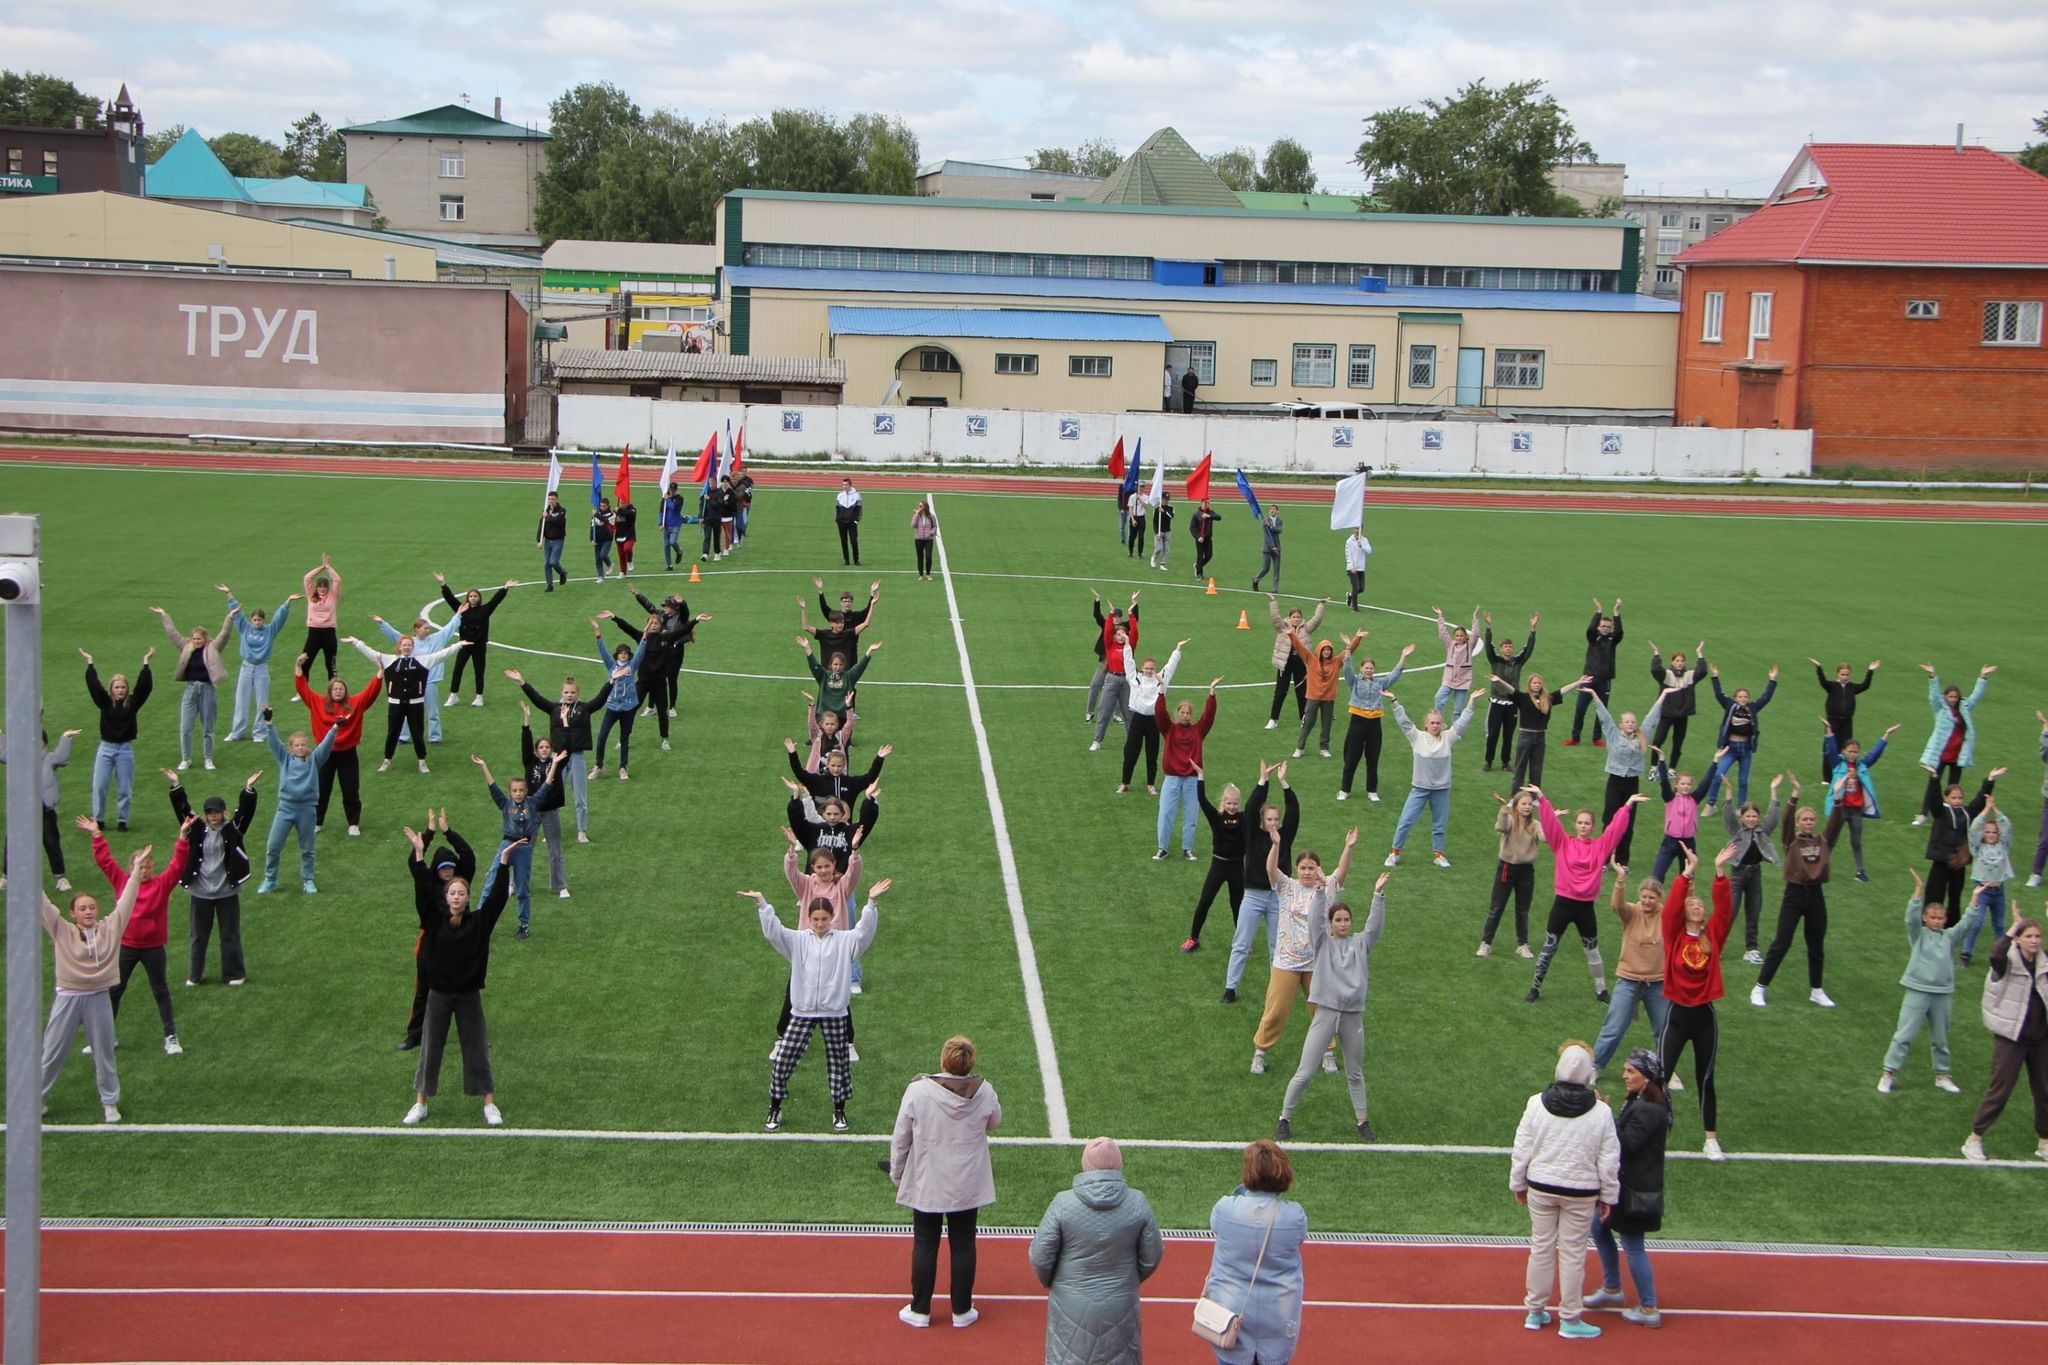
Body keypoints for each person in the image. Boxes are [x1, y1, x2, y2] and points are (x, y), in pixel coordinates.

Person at [747, 879, 888, 1134]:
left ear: (832, 917)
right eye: (816, 919)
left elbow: (864, 933)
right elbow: (774, 932)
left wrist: (871, 903)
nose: (820, 924)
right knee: (784, 1061)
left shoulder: (845, 941)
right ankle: (775, 1107)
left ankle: (839, 1111)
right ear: (809, 918)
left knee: (839, 1065)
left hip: (835, 1013)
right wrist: (763, 905)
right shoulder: (798, 940)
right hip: (801, 1012)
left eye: (824, 919)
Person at [402, 828, 519, 1127]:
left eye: (461, 894)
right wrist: (418, 855)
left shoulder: (479, 922)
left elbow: (496, 901)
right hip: (439, 995)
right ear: (447, 896)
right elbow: (420, 891)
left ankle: (489, 1104)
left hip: (468, 995)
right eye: (452, 893)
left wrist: (504, 862)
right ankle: (421, 1104)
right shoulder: (434, 918)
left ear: (467, 898)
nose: (456, 897)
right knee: (430, 1047)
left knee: (477, 1047)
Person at [889, 1035, 1002, 1330]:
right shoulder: (985, 1091)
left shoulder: (918, 1091)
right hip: (965, 1181)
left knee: (925, 1242)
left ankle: (920, 1309)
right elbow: (994, 1121)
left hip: (928, 1179)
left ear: (943, 1060)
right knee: (963, 1243)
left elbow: (901, 1138)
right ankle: (962, 1310)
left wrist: (897, 1174)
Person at [1509, 1040, 1620, 1341]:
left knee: (1541, 1247)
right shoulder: (1600, 1112)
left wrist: (1518, 1182)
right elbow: (1609, 1159)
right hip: (1581, 1193)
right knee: (1573, 1254)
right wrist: (1609, 1195)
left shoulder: (1535, 1103)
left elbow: (1522, 1148)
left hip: (1541, 1187)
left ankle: (1534, 1311)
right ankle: (1570, 1318)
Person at [1275, 861, 1387, 1142]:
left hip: (1352, 1016)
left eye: (1346, 920)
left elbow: (1375, 927)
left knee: (1355, 1072)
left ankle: (1362, 1121)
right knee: (1306, 1071)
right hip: (1325, 1014)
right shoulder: (1322, 941)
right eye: (1338, 920)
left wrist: (1378, 895)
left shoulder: (1360, 943)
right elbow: (1314, 918)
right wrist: (1322, 892)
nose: (1343, 924)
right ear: (1331, 923)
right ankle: (1284, 1118)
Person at [1028, 1136, 1163, 1365]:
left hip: (1070, 1302)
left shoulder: (1063, 1203)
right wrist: (1128, 1280)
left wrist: (1057, 1283)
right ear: (1118, 1164)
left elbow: (1040, 1257)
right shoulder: (1137, 1202)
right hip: (1120, 1303)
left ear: (1086, 1165)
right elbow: (1153, 1255)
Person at [39, 853, 146, 1124]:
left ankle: (110, 1103)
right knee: (53, 1051)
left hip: (99, 997)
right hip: (68, 997)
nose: (88, 912)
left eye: (92, 907)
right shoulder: (61, 930)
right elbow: (42, 904)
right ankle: (35, 1099)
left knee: (104, 1051)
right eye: (83, 908)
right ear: (73, 914)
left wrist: (135, 871)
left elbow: (126, 902)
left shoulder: (110, 928)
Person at [1251, 832, 1359, 1079]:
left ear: (1318, 869)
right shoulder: (1287, 886)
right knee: (1276, 1010)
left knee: (1322, 1010)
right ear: (1297, 869)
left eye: (1312, 868)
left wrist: (1348, 846)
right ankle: (1260, 1051)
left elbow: (1342, 871)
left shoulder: (1327, 888)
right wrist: (1277, 844)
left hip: (1317, 963)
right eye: (1303, 868)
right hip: (1286, 962)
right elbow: (1270, 868)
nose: (1308, 872)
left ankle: (1328, 1052)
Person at [84, 814, 193, 1057]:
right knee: (114, 990)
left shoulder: (162, 884)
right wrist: (96, 834)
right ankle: (105, 1037)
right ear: (131, 867)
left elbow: (178, 864)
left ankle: (170, 1037)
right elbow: (105, 861)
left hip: (153, 947)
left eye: (147, 866)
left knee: (160, 990)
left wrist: (183, 837)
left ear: (151, 867)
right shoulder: (121, 881)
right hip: (126, 946)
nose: (144, 870)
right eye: (139, 866)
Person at [1525, 792, 1646, 1005]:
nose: (1583, 826)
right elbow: (1552, 825)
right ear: (1575, 825)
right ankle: (1535, 988)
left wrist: (1627, 805)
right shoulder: (1562, 843)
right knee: (1548, 949)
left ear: (1592, 827)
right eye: (1580, 823)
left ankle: (1601, 991)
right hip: (1562, 904)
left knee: (1593, 951)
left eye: (1587, 823)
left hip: (1585, 908)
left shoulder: (1600, 847)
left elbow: (1615, 831)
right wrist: (1543, 799)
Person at [1583, 1048, 1672, 1329]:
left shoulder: (1648, 1109)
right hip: (1627, 1187)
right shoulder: (1643, 1103)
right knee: (1598, 1227)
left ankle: (1648, 1307)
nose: (1624, 1075)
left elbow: (1625, 1145)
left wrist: (1605, 1115)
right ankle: (1612, 1288)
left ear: (1646, 1077)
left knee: (1633, 1246)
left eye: (1631, 1071)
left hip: (1634, 1191)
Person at [1201, 1140, 1308, 1365]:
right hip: (1277, 1320)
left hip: (1231, 1316)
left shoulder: (1224, 1209)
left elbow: (1219, 1225)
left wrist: (1246, 1189)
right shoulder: (1294, 1216)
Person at [1882, 869, 1985, 1096]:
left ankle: (1942, 1075)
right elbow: (1910, 918)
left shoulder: (1949, 937)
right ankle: (1888, 1073)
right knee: (1904, 1035)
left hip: (1942, 993)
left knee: (1941, 1038)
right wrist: (1918, 892)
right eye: (1933, 918)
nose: (1937, 922)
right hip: (1917, 991)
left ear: (1945, 920)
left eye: (1941, 918)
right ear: (1925, 919)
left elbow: (1966, 924)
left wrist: (1975, 898)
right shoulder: (1918, 935)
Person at [1665, 846, 1738, 1159]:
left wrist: (1720, 872)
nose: (1697, 907)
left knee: (1705, 1078)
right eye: (1692, 905)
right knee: (1660, 1075)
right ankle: (1652, 1131)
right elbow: (1669, 909)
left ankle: (1710, 1139)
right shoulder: (1674, 936)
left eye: (1700, 905)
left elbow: (1724, 909)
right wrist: (1688, 872)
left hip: (1704, 1016)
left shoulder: (1712, 937)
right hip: (1678, 1014)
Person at [1960, 915, 2048, 1163]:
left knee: (2045, 1091)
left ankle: (2045, 1142)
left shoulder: (2044, 962)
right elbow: (1995, 954)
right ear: (2018, 939)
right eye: (2028, 936)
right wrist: (2010, 931)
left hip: (2041, 1038)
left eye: (2037, 936)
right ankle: (1974, 1139)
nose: (2034, 941)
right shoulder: (2007, 961)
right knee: (2001, 1089)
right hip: (2012, 1036)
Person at [1593, 854, 1687, 1073]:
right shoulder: (1632, 912)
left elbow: (1681, 907)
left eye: (1652, 897)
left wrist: (1687, 877)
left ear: (1659, 898)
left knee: (1664, 1029)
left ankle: (1667, 1071)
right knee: (1613, 1028)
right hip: (1628, 980)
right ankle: (1595, 1067)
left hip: (1657, 983)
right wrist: (1620, 880)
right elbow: (1617, 905)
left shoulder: (1666, 916)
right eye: (1644, 896)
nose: (1647, 901)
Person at [1750, 798, 1847, 1009]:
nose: (1809, 822)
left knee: (1816, 945)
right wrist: (1793, 798)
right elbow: (1785, 822)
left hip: (1815, 896)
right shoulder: (1791, 842)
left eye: (1812, 819)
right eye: (1804, 819)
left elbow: (1835, 824)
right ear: (1798, 823)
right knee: (1781, 942)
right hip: (1793, 895)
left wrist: (1838, 799)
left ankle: (1817, 990)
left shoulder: (1822, 842)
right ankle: (1759, 987)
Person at [167, 769, 260, 987]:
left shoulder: (233, 829)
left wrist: (248, 788)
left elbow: (246, 811)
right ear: (205, 814)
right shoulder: (196, 828)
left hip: (226, 891)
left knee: (230, 934)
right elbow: (182, 810)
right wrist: (175, 785)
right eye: (209, 812)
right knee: (198, 936)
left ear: (223, 812)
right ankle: (195, 975)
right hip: (200, 892)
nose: (213, 816)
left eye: (217, 812)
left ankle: (234, 974)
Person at [401, 811, 476, 1050]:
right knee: (423, 991)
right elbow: (416, 864)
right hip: (431, 944)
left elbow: (468, 855)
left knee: (466, 993)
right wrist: (429, 834)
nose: (447, 872)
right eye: (443, 868)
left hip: (459, 943)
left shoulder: (461, 884)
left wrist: (448, 832)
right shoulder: (427, 885)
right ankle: (415, 1036)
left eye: (450, 868)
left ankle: (472, 1037)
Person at [511, 668, 612, 844]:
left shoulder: (584, 708)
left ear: (577, 693)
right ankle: (548, 830)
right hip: (557, 759)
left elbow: (600, 700)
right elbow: (537, 699)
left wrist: (611, 682)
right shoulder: (554, 709)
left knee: (580, 797)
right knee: (550, 796)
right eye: (566, 692)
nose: (569, 695)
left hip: (577, 757)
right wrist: (522, 682)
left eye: (572, 692)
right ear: (561, 693)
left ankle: (582, 831)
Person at [473, 750, 565, 942]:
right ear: (510, 792)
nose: (518, 793)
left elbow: (547, 784)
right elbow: (492, 787)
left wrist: (554, 764)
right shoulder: (505, 804)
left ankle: (523, 925)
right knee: (491, 880)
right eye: (514, 790)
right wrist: (484, 766)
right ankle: (480, 920)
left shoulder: (533, 803)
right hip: (506, 845)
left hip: (524, 849)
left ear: (526, 791)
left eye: (521, 790)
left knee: (523, 888)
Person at [1221, 764, 1296, 995]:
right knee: (1241, 945)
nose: (1273, 823)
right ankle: (1230, 988)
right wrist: (1263, 781)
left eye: (1276, 819)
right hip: (1253, 896)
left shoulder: (1285, 837)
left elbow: (1294, 811)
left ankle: (1276, 992)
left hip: (1277, 898)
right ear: (1262, 821)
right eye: (1269, 819)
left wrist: (1284, 783)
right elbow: (1253, 806)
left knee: (1277, 947)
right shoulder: (1252, 835)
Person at [1383, 693, 1479, 869]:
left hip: (1441, 790)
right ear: (1426, 725)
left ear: (1442, 725)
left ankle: (1439, 855)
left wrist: (1471, 702)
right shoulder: (1417, 737)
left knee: (1439, 824)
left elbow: (1462, 723)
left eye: (1438, 723)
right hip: (1419, 788)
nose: (1435, 726)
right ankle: (1394, 853)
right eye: (1432, 723)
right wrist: (1394, 701)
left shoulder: (1448, 738)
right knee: (1406, 821)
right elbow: (1404, 722)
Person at [348, 632, 465, 774]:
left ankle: (422, 761)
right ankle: (387, 760)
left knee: (417, 733)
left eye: (409, 645)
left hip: (415, 704)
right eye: (404, 645)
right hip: (395, 703)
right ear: (399, 647)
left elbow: (440, 655)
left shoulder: (423, 660)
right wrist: (356, 642)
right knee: (393, 732)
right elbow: (371, 653)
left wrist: (457, 646)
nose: (407, 648)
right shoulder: (389, 660)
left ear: (413, 647)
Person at [294, 653, 380, 838]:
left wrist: (379, 674)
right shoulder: (318, 703)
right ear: (330, 691)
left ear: (345, 691)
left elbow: (369, 694)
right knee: (321, 789)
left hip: (348, 753)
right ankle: (317, 822)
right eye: (335, 688)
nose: (338, 691)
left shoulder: (354, 704)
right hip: (324, 754)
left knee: (350, 789)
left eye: (341, 688)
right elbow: (303, 690)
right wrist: (299, 669)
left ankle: (353, 823)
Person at [1587, 687, 1671, 871]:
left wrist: (1663, 695)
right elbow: (1604, 716)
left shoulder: (1643, 735)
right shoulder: (1613, 734)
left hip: (1632, 783)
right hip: (1615, 782)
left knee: (1628, 823)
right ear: (1621, 725)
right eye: (1627, 721)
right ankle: (1603, 859)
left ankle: (1622, 862)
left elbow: (1653, 717)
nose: (1631, 724)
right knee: (1609, 820)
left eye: (1633, 721)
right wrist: (1594, 695)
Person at [256, 714, 337, 894]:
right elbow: (274, 743)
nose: (300, 747)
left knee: (307, 849)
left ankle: (308, 880)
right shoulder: (285, 759)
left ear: (308, 747)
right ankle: (270, 879)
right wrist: (269, 724)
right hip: (285, 809)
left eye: (303, 745)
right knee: (273, 846)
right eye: (297, 745)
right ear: (291, 748)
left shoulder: (314, 760)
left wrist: (334, 729)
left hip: (307, 810)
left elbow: (325, 746)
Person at [0, 722, 79, 891]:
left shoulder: (50, 758)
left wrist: (66, 738)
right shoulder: (17, 758)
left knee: (51, 842)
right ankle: (6, 877)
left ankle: (60, 878)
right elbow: (2, 753)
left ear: (44, 743)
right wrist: (1, 736)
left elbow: (62, 757)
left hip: (44, 810)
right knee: (12, 842)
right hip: (20, 809)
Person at [82, 646, 154, 830]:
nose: (120, 690)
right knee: (99, 786)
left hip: (125, 749)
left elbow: (144, 687)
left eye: (123, 687)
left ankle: (123, 820)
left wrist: (146, 664)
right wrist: (90, 664)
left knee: (124, 789)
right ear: (111, 689)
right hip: (105, 749)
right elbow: (94, 686)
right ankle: (98, 819)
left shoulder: (132, 703)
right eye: (117, 687)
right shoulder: (105, 703)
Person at [1187, 768, 1255, 955]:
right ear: (1223, 802)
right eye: (1229, 803)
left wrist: (1263, 781)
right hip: (1218, 866)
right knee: (1205, 900)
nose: (1232, 806)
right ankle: (1193, 938)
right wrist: (1200, 776)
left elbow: (1255, 804)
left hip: (1236, 867)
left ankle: (1243, 943)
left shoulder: (1243, 819)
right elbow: (1202, 800)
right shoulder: (1216, 818)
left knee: (1237, 905)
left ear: (1239, 803)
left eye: (1235, 803)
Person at [1823, 722, 1901, 884]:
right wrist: (1829, 731)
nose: (1853, 754)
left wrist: (1886, 735)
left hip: (1856, 810)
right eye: (1850, 751)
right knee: (1831, 839)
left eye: (1856, 752)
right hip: (1840, 809)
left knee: (1857, 842)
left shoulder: (1862, 765)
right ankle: (1821, 867)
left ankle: (1860, 872)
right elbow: (1830, 751)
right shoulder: (1838, 764)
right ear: (1843, 751)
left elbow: (1875, 754)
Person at [218, 583, 297, 743]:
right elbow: (237, 614)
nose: (257, 622)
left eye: (260, 620)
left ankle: (259, 733)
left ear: (263, 620)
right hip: (246, 667)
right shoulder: (245, 628)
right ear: (251, 620)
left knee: (262, 701)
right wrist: (229, 594)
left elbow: (279, 619)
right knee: (241, 700)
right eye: (254, 619)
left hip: (261, 668)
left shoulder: (269, 631)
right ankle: (236, 732)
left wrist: (287, 602)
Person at [1923, 770, 2002, 928]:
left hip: (1959, 862)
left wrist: (1990, 779)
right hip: (1941, 861)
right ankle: (1928, 923)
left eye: (1959, 797)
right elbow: (1934, 800)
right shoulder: (1941, 811)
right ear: (1946, 798)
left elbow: (1980, 800)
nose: (1957, 800)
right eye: (1953, 797)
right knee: (1934, 894)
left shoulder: (1967, 813)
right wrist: (1934, 779)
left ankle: (1952, 926)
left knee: (1955, 896)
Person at [1915, 664, 1994, 822]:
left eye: (1955, 697)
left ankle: (1950, 815)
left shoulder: (1964, 707)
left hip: (1958, 754)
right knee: (1933, 784)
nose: (1952, 700)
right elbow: (1933, 696)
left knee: (1953, 786)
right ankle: (1923, 814)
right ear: (1945, 697)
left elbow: (1976, 696)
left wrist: (1983, 677)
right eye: (1950, 697)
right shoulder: (1940, 708)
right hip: (1941, 753)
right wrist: (1932, 676)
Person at [1336, 640, 1412, 803]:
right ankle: (1344, 789)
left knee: (1373, 759)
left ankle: (1372, 791)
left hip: (1374, 724)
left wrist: (1403, 657)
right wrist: (1348, 649)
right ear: (1361, 669)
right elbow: (1347, 669)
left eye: (1371, 668)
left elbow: (1395, 675)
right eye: (1366, 667)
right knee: (1351, 758)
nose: (1369, 670)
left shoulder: (1380, 683)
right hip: (1357, 722)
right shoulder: (1355, 681)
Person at [1720, 778, 1785, 966]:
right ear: (1742, 818)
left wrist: (1773, 791)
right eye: (1747, 816)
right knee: (1730, 911)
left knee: (1754, 911)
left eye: (1754, 816)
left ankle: (1751, 949)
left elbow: (1774, 816)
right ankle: (1717, 946)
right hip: (1737, 875)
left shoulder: (1762, 831)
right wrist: (1729, 790)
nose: (1751, 819)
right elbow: (1727, 815)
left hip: (1755, 875)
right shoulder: (1736, 831)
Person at [372, 611, 461, 748]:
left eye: (428, 628)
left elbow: (449, 629)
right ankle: (404, 736)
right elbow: (394, 634)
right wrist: (382, 623)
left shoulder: (437, 638)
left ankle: (435, 737)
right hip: (413, 684)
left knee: (433, 711)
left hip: (430, 681)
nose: (428, 630)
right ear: (416, 630)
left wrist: (458, 615)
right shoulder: (408, 642)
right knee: (407, 710)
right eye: (425, 628)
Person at [1153, 679, 1220, 861]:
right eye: (1182, 712)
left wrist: (1211, 693)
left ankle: (1187, 849)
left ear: (1191, 715)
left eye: (1188, 713)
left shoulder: (1198, 730)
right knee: (1165, 814)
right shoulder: (1169, 730)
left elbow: (1209, 717)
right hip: (1172, 778)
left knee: (1191, 816)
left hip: (1192, 780)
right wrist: (1161, 691)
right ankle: (1162, 848)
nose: (1185, 715)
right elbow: (1159, 714)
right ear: (1178, 713)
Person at [1116, 638, 1185, 794]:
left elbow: (1171, 666)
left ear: (1155, 669)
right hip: (1137, 719)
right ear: (1142, 668)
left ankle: (1150, 785)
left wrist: (1178, 649)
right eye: (1146, 668)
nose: (1149, 671)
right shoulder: (1134, 678)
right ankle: (1125, 783)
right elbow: (1128, 663)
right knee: (1130, 752)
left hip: (1154, 721)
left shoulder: (1161, 679)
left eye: (1151, 668)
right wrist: (1127, 644)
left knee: (1152, 753)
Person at [437, 575, 515, 707]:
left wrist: (505, 588)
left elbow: (495, 601)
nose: (473, 598)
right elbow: (450, 599)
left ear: (479, 598)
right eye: (471, 596)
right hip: (464, 644)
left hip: (479, 646)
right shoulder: (462, 609)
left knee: (479, 671)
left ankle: (479, 697)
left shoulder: (485, 610)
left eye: (475, 596)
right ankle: (453, 695)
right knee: (457, 669)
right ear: (467, 598)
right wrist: (443, 584)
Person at [1481, 790, 1543, 958]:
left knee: (1522, 910)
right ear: (1516, 806)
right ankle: (1486, 943)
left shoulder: (1535, 824)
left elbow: (1545, 838)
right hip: (1507, 868)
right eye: (1523, 804)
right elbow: (1500, 826)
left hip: (1526, 871)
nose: (1527, 807)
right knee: (1497, 907)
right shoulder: (1510, 820)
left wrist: (1551, 821)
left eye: (1530, 804)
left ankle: (1522, 944)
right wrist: (1503, 808)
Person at [1706, 663, 1779, 806]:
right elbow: (1718, 695)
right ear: (1735, 698)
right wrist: (1715, 676)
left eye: (1745, 696)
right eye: (1740, 696)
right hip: (1730, 748)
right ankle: (1711, 803)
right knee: (1718, 775)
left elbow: (1766, 698)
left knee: (1743, 780)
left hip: (1745, 749)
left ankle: (1742, 806)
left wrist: (1772, 680)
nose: (1743, 699)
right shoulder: (1730, 706)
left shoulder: (1752, 708)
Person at [588, 622, 648, 781]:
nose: (623, 655)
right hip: (613, 707)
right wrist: (598, 633)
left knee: (624, 739)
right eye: (621, 653)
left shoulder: (632, 666)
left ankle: (623, 768)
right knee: (602, 737)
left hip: (628, 708)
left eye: (626, 653)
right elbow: (603, 652)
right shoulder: (611, 665)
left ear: (629, 655)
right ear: (617, 655)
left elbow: (641, 652)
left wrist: (645, 636)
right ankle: (598, 766)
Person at [1482, 613, 1538, 772]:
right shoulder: (1495, 660)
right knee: (1492, 734)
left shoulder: (1517, 662)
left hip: (1512, 703)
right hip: (1496, 702)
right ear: (1501, 649)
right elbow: (1488, 647)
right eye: (1506, 647)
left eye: (1510, 647)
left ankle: (1506, 762)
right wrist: (1488, 628)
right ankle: (1488, 761)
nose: (1508, 649)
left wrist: (1533, 630)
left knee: (1508, 735)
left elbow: (1528, 650)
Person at [1962, 800, 2016, 966]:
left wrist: (1996, 811)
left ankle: (2002, 956)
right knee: (1977, 924)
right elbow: (1974, 829)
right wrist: (1986, 810)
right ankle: (1966, 954)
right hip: (1982, 890)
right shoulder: (1977, 848)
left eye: (1994, 832)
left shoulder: (2003, 846)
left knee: (1999, 925)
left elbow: (2007, 828)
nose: (1991, 834)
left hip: (1999, 890)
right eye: (1988, 832)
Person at [1564, 599, 1623, 747]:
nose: (1605, 628)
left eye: (1608, 627)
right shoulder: (1593, 638)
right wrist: (1598, 612)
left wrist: (1616, 612)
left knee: (1601, 711)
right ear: (1598, 627)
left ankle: (1597, 738)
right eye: (1603, 626)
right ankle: (1575, 737)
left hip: (1605, 681)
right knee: (1580, 708)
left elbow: (1620, 632)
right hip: (1589, 678)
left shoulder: (1612, 640)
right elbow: (1589, 630)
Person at [1263, 598, 1323, 730]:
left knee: (1302, 692)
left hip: (1301, 664)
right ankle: (1274, 719)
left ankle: (1304, 718)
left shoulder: (1306, 628)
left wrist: (1321, 605)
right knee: (1280, 692)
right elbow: (1275, 619)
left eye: (1298, 617)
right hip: (1284, 664)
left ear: (1301, 618)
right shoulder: (1283, 627)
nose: (1296, 619)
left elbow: (1316, 620)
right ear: (1289, 618)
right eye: (1293, 617)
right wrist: (1273, 602)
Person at [1289, 633, 1351, 761]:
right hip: (1313, 697)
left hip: (1328, 698)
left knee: (1327, 724)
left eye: (1328, 650)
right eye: (1324, 650)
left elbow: (1350, 651)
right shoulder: (1310, 659)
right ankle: (1300, 747)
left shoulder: (1336, 662)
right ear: (1320, 650)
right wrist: (1291, 634)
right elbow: (1299, 647)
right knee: (1307, 723)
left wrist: (1355, 640)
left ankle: (1324, 748)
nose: (1326, 652)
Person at [1646, 641, 1706, 767]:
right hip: (1666, 714)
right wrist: (1656, 654)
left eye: (1682, 661)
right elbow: (1655, 669)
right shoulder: (1666, 675)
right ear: (1672, 662)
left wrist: (1699, 654)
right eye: (1677, 661)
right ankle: (1653, 767)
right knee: (1658, 740)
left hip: (1682, 716)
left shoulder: (1689, 675)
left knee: (1677, 744)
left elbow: (1702, 671)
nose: (1679, 663)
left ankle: (1672, 768)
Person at [1505, 673, 1565, 794]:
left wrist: (1578, 683)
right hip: (1526, 736)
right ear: (1529, 684)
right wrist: (1499, 681)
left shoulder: (1546, 698)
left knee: (1536, 769)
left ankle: (1534, 797)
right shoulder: (1523, 697)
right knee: (1520, 768)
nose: (1537, 685)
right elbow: (1511, 690)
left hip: (1540, 737)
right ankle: (1515, 796)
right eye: (1534, 683)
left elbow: (1562, 691)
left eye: (1539, 683)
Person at [1814, 657, 1880, 746]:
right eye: (1842, 674)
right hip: (1833, 721)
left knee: (1846, 746)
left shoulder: (1852, 687)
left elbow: (1865, 686)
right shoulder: (1832, 686)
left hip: (1847, 722)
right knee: (1830, 745)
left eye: (1847, 675)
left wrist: (1870, 671)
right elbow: (1823, 681)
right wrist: (1819, 667)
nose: (1845, 677)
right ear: (1838, 674)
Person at [1430, 606, 1482, 717]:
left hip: (1463, 681)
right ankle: (1441, 723)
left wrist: (1475, 618)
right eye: (1457, 635)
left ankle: (1456, 732)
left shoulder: (1469, 645)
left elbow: (1476, 634)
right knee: (1438, 698)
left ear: (1465, 637)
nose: (1459, 637)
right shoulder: (1450, 644)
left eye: (1461, 635)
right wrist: (1440, 616)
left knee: (1458, 710)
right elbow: (1442, 634)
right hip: (1449, 679)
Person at [298, 554, 343, 678]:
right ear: (316, 587)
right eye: (320, 587)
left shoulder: (333, 596)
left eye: (324, 587)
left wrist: (328, 567)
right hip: (314, 633)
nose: (322, 589)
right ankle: (302, 691)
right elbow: (307, 578)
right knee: (305, 662)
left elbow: (337, 580)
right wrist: (321, 567)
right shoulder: (311, 595)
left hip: (329, 633)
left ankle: (333, 694)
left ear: (327, 588)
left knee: (331, 666)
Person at [536, 491, 570, 590]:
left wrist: (548, 517)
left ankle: (562, 572)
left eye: (553, 499)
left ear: (557, 499)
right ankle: (550, 585)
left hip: (558, 540)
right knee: (547, 564)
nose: (551, 501)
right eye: (549, 499)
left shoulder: (562, 511)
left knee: (553, 562)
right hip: (548, 541)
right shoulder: (545, 511)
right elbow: (541, 526)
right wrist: (539, 540)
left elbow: (558, 522)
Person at [1250, 508, 1282, 593]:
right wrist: (1272, 547)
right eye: (1270, 509)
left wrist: (1271, 526)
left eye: (1274, 509)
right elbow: (1267, 536)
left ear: (1277, 511)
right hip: (1267, 548)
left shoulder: (1279, 521)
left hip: (1277, 548)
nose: (1272, 511)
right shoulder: (1265, 521)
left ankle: (1275, 589)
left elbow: (1279, 530)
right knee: (1266, 568)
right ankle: (1256, 580)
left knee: (1276, 569)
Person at [659, 479, 688, 571]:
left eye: (674, 490)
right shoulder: (665, 499)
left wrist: (667, 500)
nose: (672, 492)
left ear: (676, 490)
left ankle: (679, 552)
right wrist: (660, 523)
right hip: (666, 525)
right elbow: (661, 512)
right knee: (666, 545)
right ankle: (669, 565)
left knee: (672, 542)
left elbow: (674, 508)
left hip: (675, 524)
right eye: (671, 490)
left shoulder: (680, 499)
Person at [835, 477, 863, 566]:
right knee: (844, 541)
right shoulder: (839, 495)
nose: (844, 486)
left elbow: (860, 509)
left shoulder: (857, 495)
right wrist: (837, 519)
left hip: (852, 522)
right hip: (841, 522)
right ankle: (846, 560)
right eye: (843, 485)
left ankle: (856, 560)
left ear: (850, 485)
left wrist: (856, 520)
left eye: (846, 485)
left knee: (853, 541)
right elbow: (837, 508)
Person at [1190, 500, 1219, 582]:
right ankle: (1200, 574)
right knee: (1200, 556)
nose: (1207, 505)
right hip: (1200, 540)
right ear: (1201, 503)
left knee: (1209, 555)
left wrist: (1209, 516)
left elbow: (1219, 517)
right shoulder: (1196, 514)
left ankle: (1197, 566)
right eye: (1205, 503)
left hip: (1208, 538)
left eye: (1208, 503)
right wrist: (1198, 536)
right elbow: (1192, 527)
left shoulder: (1211, 512)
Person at [1342, 526, 1370, 611]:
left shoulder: (1364, 540)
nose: (1357, 530)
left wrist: (1362, 546)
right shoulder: (1349, 541)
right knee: (1356, 587)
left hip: (1361, 568)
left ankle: (1350, 595)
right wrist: (1351, 566)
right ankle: (1355, 607)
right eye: (1356, 528)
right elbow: (1348, 555)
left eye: (1359, 528)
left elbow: (1369, 551)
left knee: (1361, 588)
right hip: (1352, 569)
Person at [589, 496, 616, 581]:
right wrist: (591, 539)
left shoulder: (612, 515)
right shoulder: (596, 514)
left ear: (608, 506)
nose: (602, 507)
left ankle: (610, 564)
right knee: (598, 559)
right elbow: (592, 526)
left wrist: (596, 514)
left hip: (607, 539)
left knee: (603, 555)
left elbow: (606, 521)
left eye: (604, 506)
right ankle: (600, 577)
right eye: (601, 506)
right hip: (597, 539)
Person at [911, 500, 938, 580]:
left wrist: (932, 532)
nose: (919, 507)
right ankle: (921, 575)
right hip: (918, 539)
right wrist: (916, 514)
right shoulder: (917, 516)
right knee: (920, 557)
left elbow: (935, 526)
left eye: (921, 506)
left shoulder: (931, 516)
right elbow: (913, 525)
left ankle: (928, 574)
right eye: (919, 506)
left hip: (928, 540)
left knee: (928, 556)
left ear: (925, 507)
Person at [1150, 491, 1175, 572]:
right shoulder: (1157, 509)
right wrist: (1156, 532)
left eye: (1167, 499)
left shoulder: (1171, 508)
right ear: (1161, 499)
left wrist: (1164, 512)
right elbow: (1154, 522)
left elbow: (1171, 516)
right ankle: (1153, 558)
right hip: (1159, 531)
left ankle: (1163, 564)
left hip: (1167, 531)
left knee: (1166, 549)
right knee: (1159, 548)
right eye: (1164, 499)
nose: (1166, 501)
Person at [613, 498, 638, 575]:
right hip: (619, 535)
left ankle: (630, 561)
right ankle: (623, 572)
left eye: (624, 503)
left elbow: (630, 514)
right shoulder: (616, 512)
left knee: (627, 549)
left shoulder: (632, 510)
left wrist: (619, 510)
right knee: (621, 555)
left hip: (629, 535)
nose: (622, 504)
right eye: (621, 503)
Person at [1125, 487, 1149, 560]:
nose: (1141, 488)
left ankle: (1140, 553)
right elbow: (1130, 508)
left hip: (1141, 518)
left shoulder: (1146, 497)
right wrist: (1132, 519)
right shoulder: (1132, 497)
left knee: (1141, 537)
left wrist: (1140, 499)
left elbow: (1146, 506)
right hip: (1134, 517)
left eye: (1142, 487)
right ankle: (1130, 551)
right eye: (1140, 487)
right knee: (1132, 537)